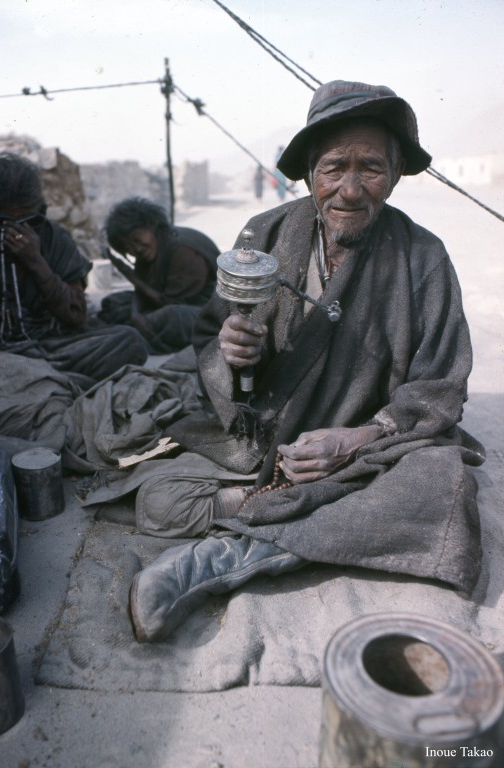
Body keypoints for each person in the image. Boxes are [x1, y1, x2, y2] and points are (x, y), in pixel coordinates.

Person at [127, 80, 485, 643]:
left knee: (443, 485)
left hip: (365, 451)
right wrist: (233, 355)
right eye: (334, 167)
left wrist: (358, 438)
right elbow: (210, 335)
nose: (350, 190)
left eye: (371, 168)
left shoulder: (424, 256)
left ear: (395, 174)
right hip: (265, 439)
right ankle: (268, 505)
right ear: (310, 172)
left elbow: (439, 385)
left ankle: (236, 553)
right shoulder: (265, 234)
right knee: (158, 500)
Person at [0, 154, 148, 384]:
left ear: (41, 212)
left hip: (53, 349)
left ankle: (41, 380)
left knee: (129, 341)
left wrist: (36, 262)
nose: (16, 232)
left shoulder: (56, 240)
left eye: (28, 221)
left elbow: (77, 318)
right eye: (2, 222)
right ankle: (51, 381)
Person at [99, 197, 220, 354]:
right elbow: (140, 291)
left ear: (151, 225)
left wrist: (132, 277)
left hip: (205, 311)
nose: (137, 249)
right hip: (166, 302)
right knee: (114, 302)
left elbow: (170, 303)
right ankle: (133, 331)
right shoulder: (151, 249)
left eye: (137, 239)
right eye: (129, 247)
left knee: (172, 316)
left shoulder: (183, 251)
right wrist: (135, 314)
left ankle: (131, 336)